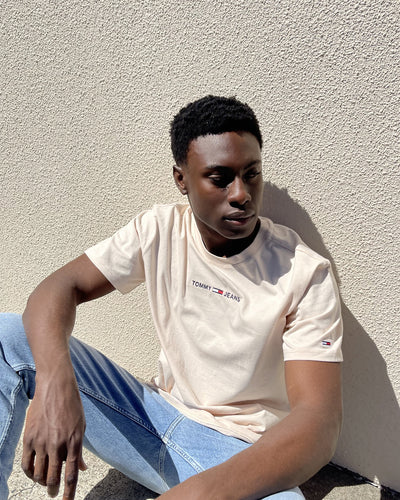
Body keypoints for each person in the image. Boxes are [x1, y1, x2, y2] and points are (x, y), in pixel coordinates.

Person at [0, 95, 343, 500]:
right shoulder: (159, 230)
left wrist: (196, 493)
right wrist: (54, 384)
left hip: (239, 452)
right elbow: (59, 287)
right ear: (182, 179)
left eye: (252, 174)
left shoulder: (303, 272)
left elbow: (318, 424)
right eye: (220, 178)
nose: (241, 194)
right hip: (150, 419)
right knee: (9, 335)